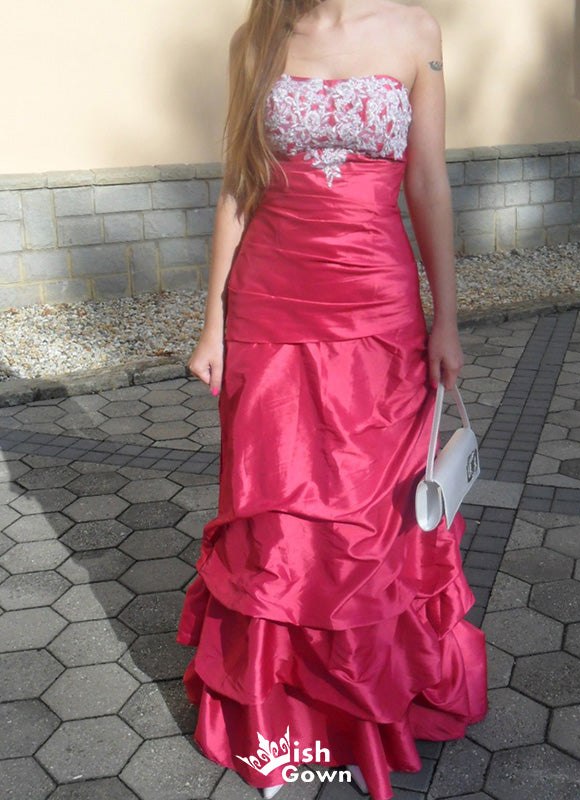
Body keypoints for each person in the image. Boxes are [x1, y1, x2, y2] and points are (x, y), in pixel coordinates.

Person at [176, 1, 488, 798]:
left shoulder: (416, 32)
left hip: (378, 307)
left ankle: (364, 707)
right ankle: (282, 721)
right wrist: (213, 322)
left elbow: (427, 179)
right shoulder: (259, 37)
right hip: (269, 305)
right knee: (279, 514)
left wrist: (446, 318)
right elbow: (239, 185)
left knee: (369, 516)